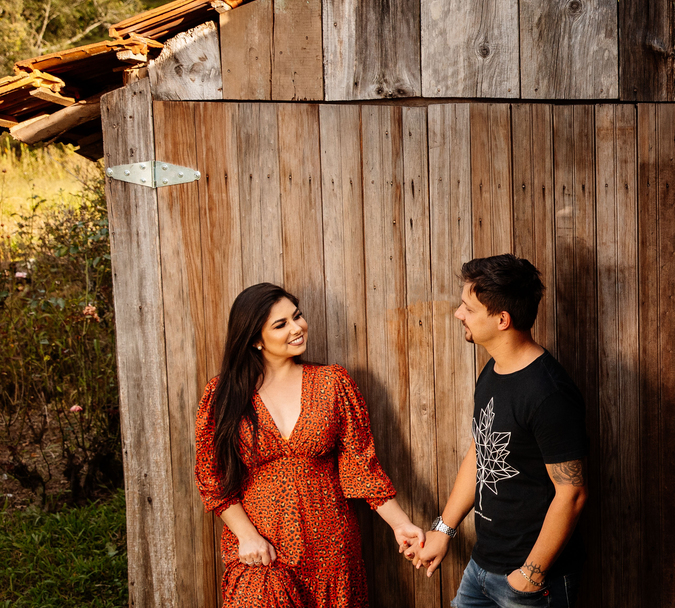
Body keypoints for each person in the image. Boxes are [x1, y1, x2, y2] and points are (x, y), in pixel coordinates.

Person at [195, 282, 424, 607]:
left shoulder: (333, 383)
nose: (297, 327)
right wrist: (247, 536)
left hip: (332, 551)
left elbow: (362, 471)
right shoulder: (223, 396)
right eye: (281, 324)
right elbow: (212, 478)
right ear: (255, 339)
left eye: (297, 316)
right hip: (261, 553)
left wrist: (402, 525)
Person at [409, 254, 588, 607]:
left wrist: (530, 575)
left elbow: (573, 493)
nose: (459, 314)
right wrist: (444, 530)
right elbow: (481, 453)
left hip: (530, 581)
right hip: (481, 566)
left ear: (502, 319)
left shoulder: (548, 393)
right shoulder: (493, 371)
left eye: (468, 308)